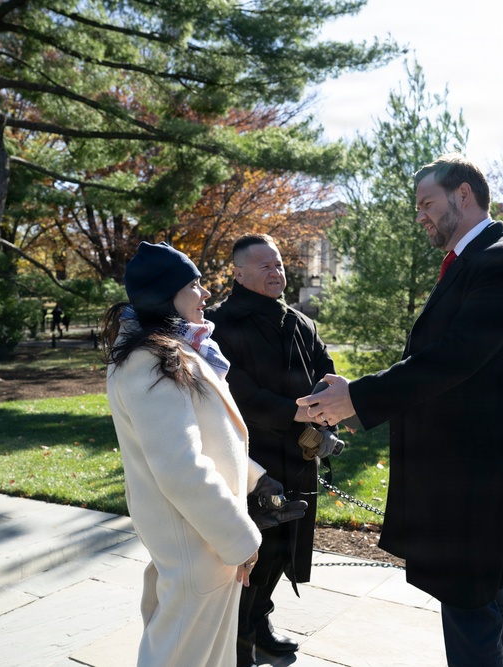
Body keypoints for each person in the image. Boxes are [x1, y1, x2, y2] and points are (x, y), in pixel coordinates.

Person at [297, 154, 503, 666]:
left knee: (470, 604)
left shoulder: (502, 259)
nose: (420, 216)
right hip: (464, 471)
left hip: (478, 473)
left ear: (463, 194)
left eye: (427, 203)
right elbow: (437, 359)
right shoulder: (474, 260)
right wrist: (357, 392)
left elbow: (454, 358)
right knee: (478, 599)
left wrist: (359, 397)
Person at [101, 241, 306, 666]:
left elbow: (205, 439)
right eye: (194, 284)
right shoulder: (152, 361)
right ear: (167, 294)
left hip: (205, 540)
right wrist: (242, 540)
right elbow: (180, 467)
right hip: (199, 542)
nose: (205, 293)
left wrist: (254, 477)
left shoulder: (171, 349)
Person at [206, 234, 343, 667]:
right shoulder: (218, 325)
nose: (275, 272)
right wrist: (295, 413)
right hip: (249, 461)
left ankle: (258, 626)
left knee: (285, 546)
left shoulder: (301, 324)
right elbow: (233, 390)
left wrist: (325, 406)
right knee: (250, 550)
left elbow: (325, 372)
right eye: (264, 266)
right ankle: (235, 642)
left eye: (279, 264)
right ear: (238, 272)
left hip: (299, 457)